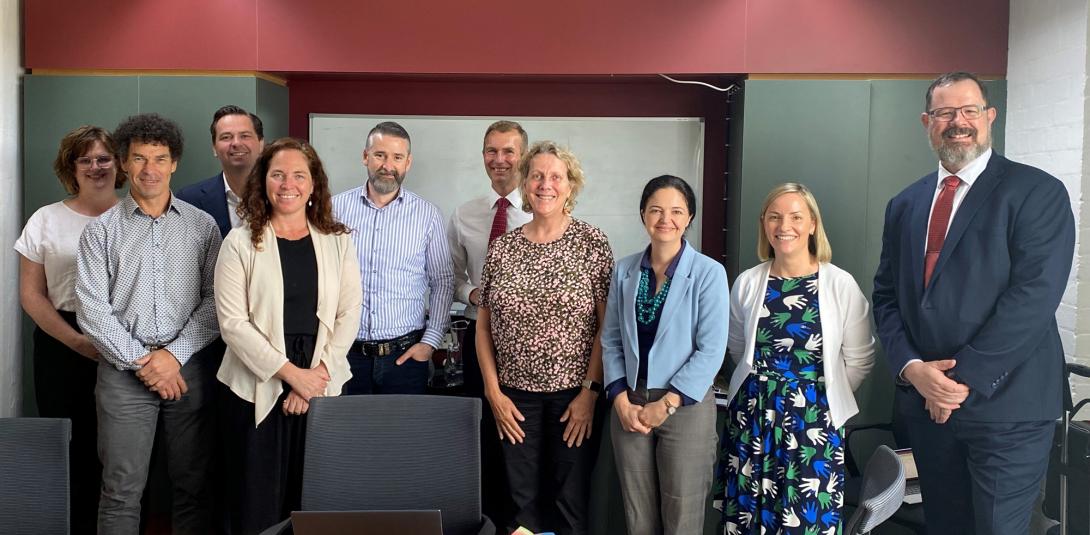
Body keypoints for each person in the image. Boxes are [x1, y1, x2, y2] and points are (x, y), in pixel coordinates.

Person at [872, 71, 1075, 535]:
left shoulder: (1036, 193)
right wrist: (911, 368)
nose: (957, 122)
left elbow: (1034, 299)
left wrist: (957, 382)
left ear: (989, 117)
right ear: (927, 121)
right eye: (945, 112)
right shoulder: (904, 204)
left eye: (969, 111)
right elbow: (886, 297)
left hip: (1009, 408)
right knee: (944, 525)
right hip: (927, 409)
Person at [76, 113, 221, 534]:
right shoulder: (101, 232)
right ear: (123, 163)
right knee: (121, 489)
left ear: (174, 162)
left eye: (159, 158)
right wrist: (145, 362)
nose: (150, 169)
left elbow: (215, 302)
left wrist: (172, 358)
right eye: (139, 159)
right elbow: (92, 311)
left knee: (194, 485)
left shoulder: (202, 227)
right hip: (123, 376)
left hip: (188, 369)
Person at [215, 138, 361, 533]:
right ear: (263, 181)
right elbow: (232, 324)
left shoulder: (337, 241)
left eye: (299, 175)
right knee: (256, 499)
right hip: (256, 384)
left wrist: (313, 378)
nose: (287, 184)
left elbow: (350, 312)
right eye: (277, 174)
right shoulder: (239, 242)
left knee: (317, 496)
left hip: (322, 379)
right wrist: (292, 376)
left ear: (314, 185)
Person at [717, 182, 875, 534]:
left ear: (813, 224)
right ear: (764, 224)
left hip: (814, 423)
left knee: (805, 520)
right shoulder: (747, 282)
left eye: (795, 217)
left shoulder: (839, 284)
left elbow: (861, 358)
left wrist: (821, 399)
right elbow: (738, 347)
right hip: (752, 418)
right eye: (774, 217)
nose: (783, 226)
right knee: (750, 518)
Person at [476, 140, 613, 534]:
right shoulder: (503, 248)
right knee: (519, 511)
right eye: (537, 175)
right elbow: (483, 328)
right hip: (513, 400)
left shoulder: (592, 243)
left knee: (569, 506)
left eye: (556, 176)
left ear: (571, 185)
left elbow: (608, 328)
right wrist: (493, 393)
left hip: (574, 399)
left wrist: (590, 393)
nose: (545, 184)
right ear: (524, 182)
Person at [600, 175, 728, 535]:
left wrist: (668, 403)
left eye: (676, 211)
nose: (664, 219)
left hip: (683, 408)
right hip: (630, 405)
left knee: (681, 518)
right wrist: (619, 398)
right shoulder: (624, 270)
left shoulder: (708, 273)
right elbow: (610, 339)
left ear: (689, 218)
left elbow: (712, 349)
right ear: (643, 214)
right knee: (637, 517)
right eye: (655, 209)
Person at [15, 125, 125, 534]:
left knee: (122, 450)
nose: (96, 167)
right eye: (86, 159)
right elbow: (31, 295)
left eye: (103, 158)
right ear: (71, 167)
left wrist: (114, 344)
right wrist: (78, 342)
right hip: (61, 342)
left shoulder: (138, 216)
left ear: (118, 164)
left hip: (127, 342)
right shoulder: (46, 220)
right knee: (72, 447)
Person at [447, 119, 533, 526]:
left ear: (524, 156)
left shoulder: (543, 209)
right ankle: (486, 522)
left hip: (527, 347)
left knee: (520, 441)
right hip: (477, 341)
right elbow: (453, 277)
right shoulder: (465, 214)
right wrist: (474, 295)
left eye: (508, 151)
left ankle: (522, 524)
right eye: (491, 151)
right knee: (480, 437)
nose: (499, 160)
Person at [332, 121, 453, 395]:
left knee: (402, 437)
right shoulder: (333, 211)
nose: (388, 165)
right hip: (345, 355)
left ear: (408, 163)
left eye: (397, 157)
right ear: (365, 156)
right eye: (380, 155)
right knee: (346, 437)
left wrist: (430, 342)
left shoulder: (427, 216)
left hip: (406, 357)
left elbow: (443, 282)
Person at [177, 105, 265, 238]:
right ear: (214, 148)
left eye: (245, 136)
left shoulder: (280, 195)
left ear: (261, 144)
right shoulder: (188, 200)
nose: (236, 143)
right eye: (226, 137)